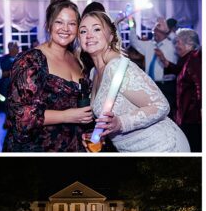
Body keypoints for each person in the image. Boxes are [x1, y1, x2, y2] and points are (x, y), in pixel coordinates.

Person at [78, 10, 189, 152]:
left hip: (162, 147)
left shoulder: (117, 66)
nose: (89, 35)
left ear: (111, 36)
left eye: (97, 29)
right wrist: (99, 135)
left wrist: (121, 122)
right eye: (83, 31)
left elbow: (161, 106)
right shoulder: (94, 72)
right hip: (130, 151)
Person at [4, 0, 93, 152]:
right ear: (48, 25)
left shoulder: (77, 59)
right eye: (59, 22)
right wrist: (67, 116)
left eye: (72, 23)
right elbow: (20, 116)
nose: (65, 28)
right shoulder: (31, 60)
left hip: (73, 145)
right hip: (37, 148)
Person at [161, 28, 202, 152]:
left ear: (188, 44)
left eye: (178, 42)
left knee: (194, 146)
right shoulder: (187, 59)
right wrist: (165, 62)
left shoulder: (195, 58)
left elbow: (199, 85)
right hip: (186, 115)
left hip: (193, 117)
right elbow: (181, 71)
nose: (176, 46)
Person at [130, 17, 178, 117]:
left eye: (157, 30)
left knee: (168, 114)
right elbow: (134, 42)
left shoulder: (172, 45)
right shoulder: (149, 45)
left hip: (167, 86)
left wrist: (168, 30)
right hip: (151, 85)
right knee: (153, 113)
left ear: (164, 32)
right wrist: (132, 27)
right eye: (154, 30)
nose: (154, 32)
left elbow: (177, 39)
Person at [0, 41, 20, 107]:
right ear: (11, 49)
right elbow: (1, 73)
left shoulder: (19, 58)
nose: (18, 49)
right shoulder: (4, 59)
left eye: (18, 47)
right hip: (7, 88)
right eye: (17, 47)